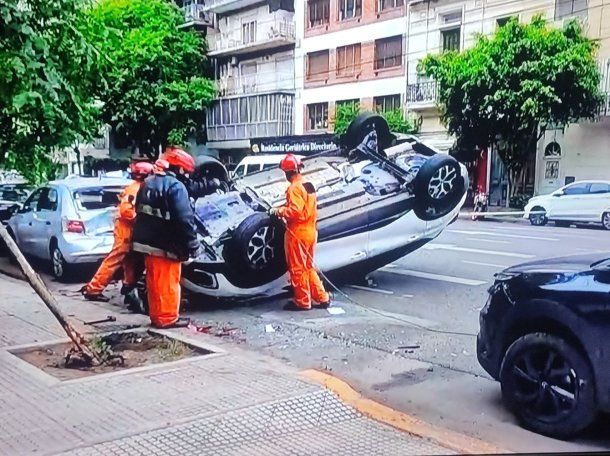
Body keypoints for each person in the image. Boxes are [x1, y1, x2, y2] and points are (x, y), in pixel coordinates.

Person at [131, 147, 221, 328]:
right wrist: (192, 244)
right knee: (169, 283)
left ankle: (157, 316)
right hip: (166, 244)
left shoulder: (147, 183)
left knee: (154, 282)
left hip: (145, 243)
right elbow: (184, 219)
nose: (187, 175)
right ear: (179, 169)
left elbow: (139, 212)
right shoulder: (176, 187)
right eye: (186, 172)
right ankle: (167, 319)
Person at [81, 161, 154, 304]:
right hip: (126, 231)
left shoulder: (138, 187)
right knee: (114, 260)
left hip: (129, 230)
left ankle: (128, 286)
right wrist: (141, 220)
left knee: (130, 260)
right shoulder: (135, 189)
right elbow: (126, 211)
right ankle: (93, 289)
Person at [270, 154, 330, 311]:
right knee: (308, 267)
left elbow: (295, 211)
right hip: (311, 231)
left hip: (298, 232)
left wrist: (278, 211)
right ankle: (322, 297)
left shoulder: (294, 188)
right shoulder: (308, 184)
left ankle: (303, 301)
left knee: (297, 268)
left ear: (288, 172)